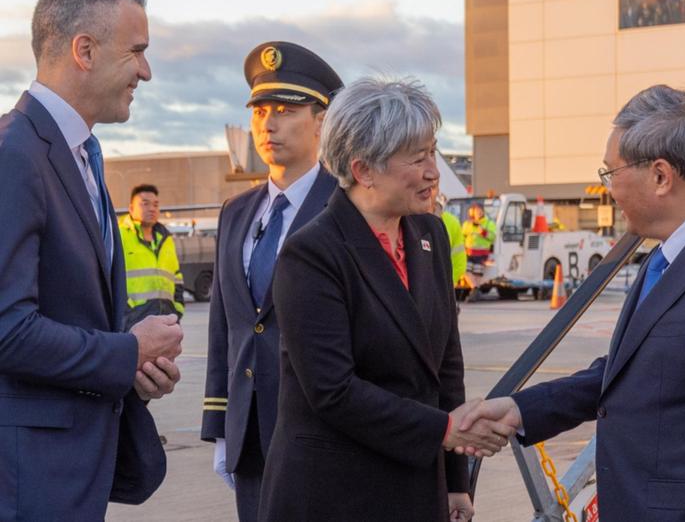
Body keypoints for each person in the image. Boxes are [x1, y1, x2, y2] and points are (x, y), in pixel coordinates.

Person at [459, 85, 685, 520]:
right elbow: (629, 372)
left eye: (611, 173)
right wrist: (521, 409)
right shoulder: (666, 255)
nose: (607, 190)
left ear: (661, 176)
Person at [259, 77, 517, 522]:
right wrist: (445, 430)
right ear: (363, 171)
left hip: (415, 483)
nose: (433, 172)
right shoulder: (313, 253)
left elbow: (444, 366)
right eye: (417, 159)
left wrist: (456, 481)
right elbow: (332, 390)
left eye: (432, 153)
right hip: (335, 492)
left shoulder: (429, 234)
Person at [0, 0, 182, 520]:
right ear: (84, 50)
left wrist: (133, 367)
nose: (146, 72)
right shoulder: (15, 155)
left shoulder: (79, 154)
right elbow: (6, 330)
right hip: (31, 481)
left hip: (71, 468)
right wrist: (127, 352)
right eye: (137, 51)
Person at [201, 41, 343, 521]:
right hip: (252, 435)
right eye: (261, 111)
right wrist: (219, 426)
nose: (269, 124)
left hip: (322, 434)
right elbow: (226, 325)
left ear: (320, 121)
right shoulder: (236, 212)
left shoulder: (344, 209)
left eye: (286, 110)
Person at [119, 183, 185, 328]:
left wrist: (177, 309)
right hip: (134, 321)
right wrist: (127, 311)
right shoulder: (119, 235)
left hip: (167, 319)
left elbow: (176, 277)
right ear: (131, 208)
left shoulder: (166, 239)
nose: (152, 209)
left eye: (156, 205)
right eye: (145, 204)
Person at [461, 203, 496, 301]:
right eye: (476, 211)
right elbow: (462, 237)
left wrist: (483, 232)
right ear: (472, 212)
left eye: (480, 211)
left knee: (477, 274)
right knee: (465, 270)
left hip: (481, 254)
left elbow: (493, 237)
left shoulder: (489, 223)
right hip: (468, 252)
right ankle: (475, 290)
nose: (478, 213)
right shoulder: (467, 224)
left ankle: (474, 293)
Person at [432, 190, 467, 287]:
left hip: (443, 285)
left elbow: (459, 259)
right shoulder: (412, 220)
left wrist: (449, 283)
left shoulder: (452, 222)